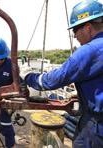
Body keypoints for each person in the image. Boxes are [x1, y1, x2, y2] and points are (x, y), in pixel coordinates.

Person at [21, 0, 103, 147]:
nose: (75, 36)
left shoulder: (89, 51)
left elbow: (53, 80)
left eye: (74, 31)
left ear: (88, 27)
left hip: (97, 126)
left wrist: (28, 76)